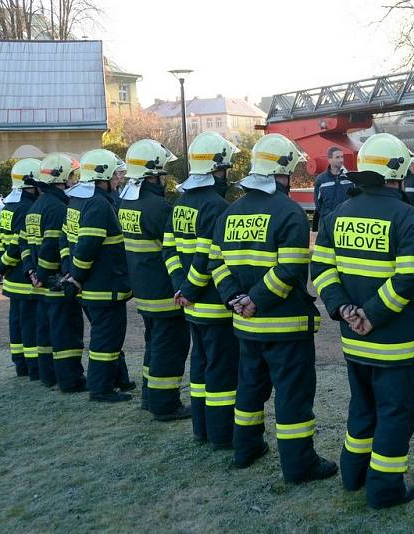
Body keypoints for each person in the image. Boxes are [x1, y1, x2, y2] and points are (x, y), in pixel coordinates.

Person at [311, 133, 414, 509]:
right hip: (392, 338)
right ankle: (384, 489)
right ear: (396, 172)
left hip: (353, 338)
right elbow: (410, 277)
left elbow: (322, 270)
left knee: (363, 406)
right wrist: (372, 314)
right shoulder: (406, 215)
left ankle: (353, 474)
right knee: (397, 412)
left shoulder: (336, 215)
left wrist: (345, 310)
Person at [209, 133, 337, 482]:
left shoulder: (229, 213)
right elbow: (291, 268)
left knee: (250, 389)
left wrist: (236, 299)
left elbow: (215, 263)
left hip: (245, 327)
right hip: (286, 326)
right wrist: (255, 299)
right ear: (282, 170)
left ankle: (245, 449)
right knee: (293, 396)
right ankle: (299, 465)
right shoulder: (290, 213)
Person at [162, 131, 237, 449]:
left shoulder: (179, 204)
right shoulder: (216, 206)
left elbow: (169, 249)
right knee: (221, 372)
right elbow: (208, 257)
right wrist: (191, 288)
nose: (226, 176)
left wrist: (181, 288)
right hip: (213, 305)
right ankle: (221, 435)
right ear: (216, 169)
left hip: (190, 305)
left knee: (200, 366)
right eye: (225, 170)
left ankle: (201, 429)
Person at [119, 139, 190, 420]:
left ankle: (150, 397)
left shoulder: (126, 202)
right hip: (164, 291)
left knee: (154, 343)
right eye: (162, 174)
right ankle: (165, 404)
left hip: (144, 288)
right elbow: (173, 251)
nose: (164, 180)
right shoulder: (160, 208)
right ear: (151, 175)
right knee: (169, 348)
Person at [64, 148, 135, 402]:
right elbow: (87, 247)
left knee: (108, 336)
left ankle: (118, 378)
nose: (119, 179)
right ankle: (101, 389)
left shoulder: (78, 199)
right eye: (115, 174)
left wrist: (72, 274)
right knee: (106, 340)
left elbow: (69, 239)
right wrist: (76, 275)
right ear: (102, 175)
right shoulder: (98, 205)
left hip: (93, 285)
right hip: (104, 285)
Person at [29, 153, 87, 393]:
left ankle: (48, 375)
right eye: (72, 175)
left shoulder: (37, 206)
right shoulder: (57, 207)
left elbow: (27, 244)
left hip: (41, 282)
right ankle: (70, 380)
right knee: (66, 334)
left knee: (45, 332)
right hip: (55, 281)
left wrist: (32, 273)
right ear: (61, 178)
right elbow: (51, 246)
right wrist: (43, 273)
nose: (75, 180)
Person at [0, 160, 40, 377]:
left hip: (12, 278)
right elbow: (17, 243)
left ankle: (20, 363)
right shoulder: (26, 207)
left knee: (17, 322)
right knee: (29, 325)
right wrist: (5, 262)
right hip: (24, 277)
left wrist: (0, 263)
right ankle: (32, 366)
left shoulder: (9, 205)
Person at [312, 146, 352, 231]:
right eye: (337, 157)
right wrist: (327, 216)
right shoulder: (321, 180)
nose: (341, 160)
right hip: (327, 225)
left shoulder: (349, 178)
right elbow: (318, 204)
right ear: (329, 160)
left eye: (342, 157)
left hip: (346, 226)